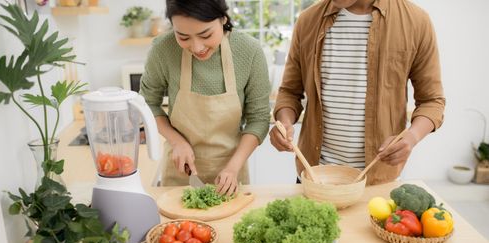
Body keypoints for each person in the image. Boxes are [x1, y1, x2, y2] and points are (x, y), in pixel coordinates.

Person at [269, 0, 445, 185]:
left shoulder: (416, 21)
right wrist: (284, 123)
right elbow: (289, 91)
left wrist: (411, 137)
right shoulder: (308, 20)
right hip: (315, 177)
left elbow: (432, 101)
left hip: (377, 181)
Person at [140, 0, 271, 195]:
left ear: (223, 19)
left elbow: (259, 119)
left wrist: (233, 168)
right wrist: (177, 141)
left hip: (232, 169)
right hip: (179, 172)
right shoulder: (163, 50)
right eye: (183, 37)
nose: (197, 47)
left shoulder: (249, 51)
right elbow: (147, 104)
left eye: (206, 35)